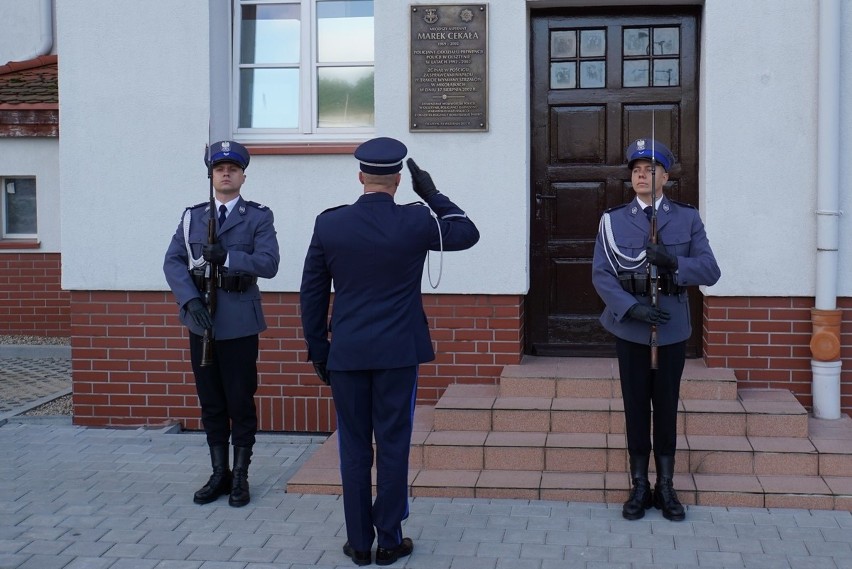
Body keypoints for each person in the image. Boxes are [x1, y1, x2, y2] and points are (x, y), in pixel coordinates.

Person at [299, 137, 479, 566]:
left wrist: (319, 350)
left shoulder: (330, 224)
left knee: (354, 448)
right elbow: (467, 233)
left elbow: (311, 293)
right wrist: (432, 194)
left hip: (347, 353)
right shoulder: (416, 221)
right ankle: (390, 540)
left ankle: (359, 543)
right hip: (398, 353)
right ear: (399, 180)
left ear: (360, 176)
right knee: (394, 446)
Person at [592, 138, 720, 522]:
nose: (641, 175)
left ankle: (665, 485)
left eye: (649, 170)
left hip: (670, 327)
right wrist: (631, 308)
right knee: (635, 406)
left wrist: (674, 265)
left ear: (665, 176)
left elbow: (711, 271)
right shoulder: (613, 219)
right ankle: (638, 484)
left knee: (665, 406)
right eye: (636, 170)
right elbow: (601, 273)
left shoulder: (687, 218)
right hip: (632, 328)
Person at [163, 140, 279, 508]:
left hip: (240, 322)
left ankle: (241, 475)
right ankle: (219, 473)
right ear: (211, 175)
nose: (225, 173)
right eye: (219, 169)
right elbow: (173, 262)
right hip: (202, 322)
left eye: (232, 168)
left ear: (243, 175)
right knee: (211, 401)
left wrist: (229, 255)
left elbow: (269, 263)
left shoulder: (258, 217)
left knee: (240, 400)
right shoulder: (192, 217)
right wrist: (190, 300)